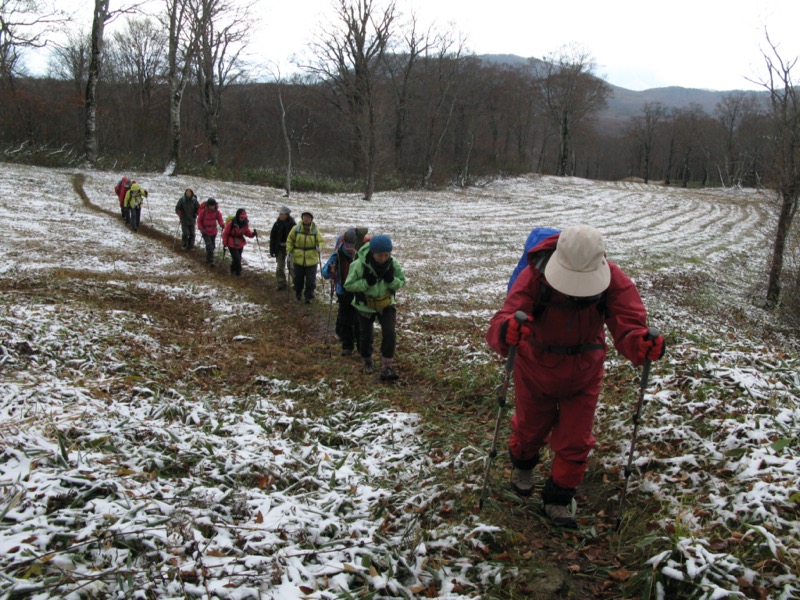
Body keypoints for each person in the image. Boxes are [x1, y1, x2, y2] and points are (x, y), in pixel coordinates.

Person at [485, 224, 666, 528]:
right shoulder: (535, 275)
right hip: (535, 367)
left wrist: (641, 344)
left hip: (584, 371)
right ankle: (524, 465)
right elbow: (505, 317)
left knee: (576, 440)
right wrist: (507, 330)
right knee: (530, 429)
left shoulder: (613, 279)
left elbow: (629, 323)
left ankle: (558, 498)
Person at [344, 234, 406, 381]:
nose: (383, 258)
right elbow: (348, 285)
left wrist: (391, 280)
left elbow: (402, 281)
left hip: (386, 304)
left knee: (390, 333)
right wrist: (366, 283)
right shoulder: (359, 264)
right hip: (364, 306)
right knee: (365, 336)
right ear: (373, 253)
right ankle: (367, 361)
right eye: (380, 255)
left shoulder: (393, 263)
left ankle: (387, 366)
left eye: (386, 255)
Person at [321, 227, 369, 355]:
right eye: (348, 246)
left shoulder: (363, 253)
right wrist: (330, 270)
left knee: (359, 321)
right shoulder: (337, 254)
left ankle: (361, 348)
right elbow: (324, 272)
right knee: (345, 320)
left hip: (358, 292)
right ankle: (347, 347)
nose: (350, 249)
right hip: (343, 292)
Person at [286, 211, 323, 303]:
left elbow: (321, 241)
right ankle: (298, 293)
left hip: (312, 260)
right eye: (305, 217)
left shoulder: (315, 230)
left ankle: (308, 297)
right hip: (298, 259)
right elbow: (290, 240)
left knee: (310, 281)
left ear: (311, 219)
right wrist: (289, 251)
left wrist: (320, 247)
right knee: (298, 280)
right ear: (302, 218)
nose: (306, 219)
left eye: (308, 217)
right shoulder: (296, 229)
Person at [222, 208, 256, 276]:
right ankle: (238, 272)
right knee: (237, 258)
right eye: (241, 217)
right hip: (231, 242)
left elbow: (246, 232)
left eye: (243, 217)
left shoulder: (245, 224)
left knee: (238, 258)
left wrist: (252, 234)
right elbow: (225, 233)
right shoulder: (231, 223)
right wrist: (225, 243)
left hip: (240, 243)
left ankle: (233, 270)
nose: (242, 219)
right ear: (238, 216)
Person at [269, 206, 296, 291]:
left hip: (290, 249)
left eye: (282, 214)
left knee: (291, 267)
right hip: (279, 248)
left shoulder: (293, 225)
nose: (280, 215)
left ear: (287, 215)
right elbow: (272, 237)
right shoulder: (276, 224)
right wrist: (272, 249)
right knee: (280, 266)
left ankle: (297, 283)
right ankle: (281, 283)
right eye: (280, 214)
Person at [197, 198, 225, 266]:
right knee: (209, 246)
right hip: (205, 232)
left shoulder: (217, 212)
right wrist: (201, 229)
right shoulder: (203, 212)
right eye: (210, 205)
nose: (212, 207)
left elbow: (220, 219)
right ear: (208, 205)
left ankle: (209, 258)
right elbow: (199, 221)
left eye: (213, 205)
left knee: (213, 246)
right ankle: (210, 261)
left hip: (213, 232)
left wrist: (222, 225)